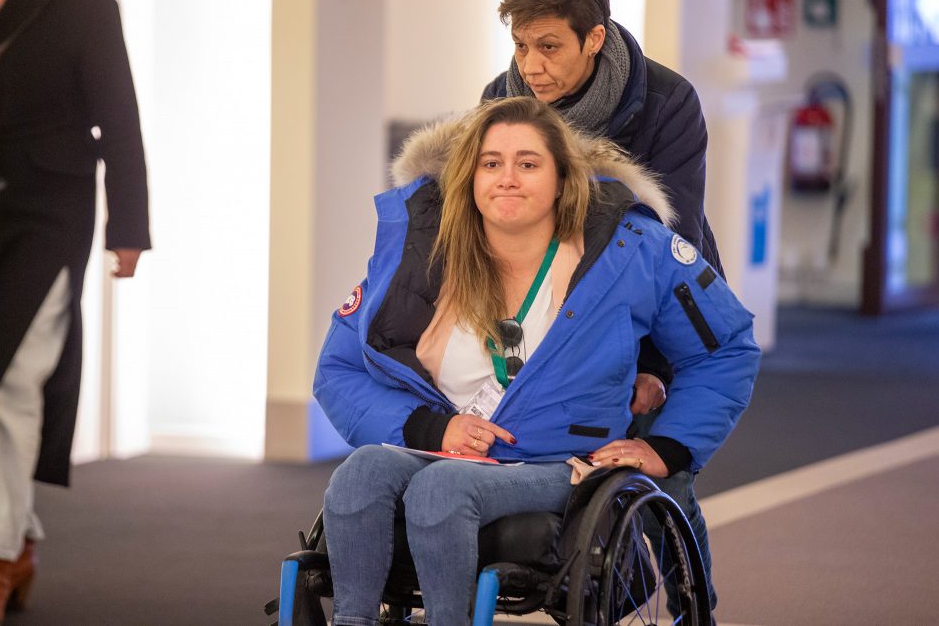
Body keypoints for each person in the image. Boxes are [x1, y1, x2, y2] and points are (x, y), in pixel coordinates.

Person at [315, 96, 759, 625]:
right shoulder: (422, 256)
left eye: (528, 164)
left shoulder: (630, 248)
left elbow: (726, 348)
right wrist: (429, 427)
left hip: (559, 461)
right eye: (490, 163)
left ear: (562, 178)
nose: (507, 178)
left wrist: (666, 445)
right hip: (447, 451)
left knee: (441, 490)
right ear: (468, 177)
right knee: (359, 472)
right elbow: (337, 369)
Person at [481, 0, 726, 605]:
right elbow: (495, 246)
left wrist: (651, 370)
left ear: (594, 38)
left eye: (549, 47)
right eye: (520, 46)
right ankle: (614, 588)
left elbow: (671, 245)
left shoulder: (667, 104)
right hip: (544, 319)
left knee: (658, 485)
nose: (530, 66)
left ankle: (693, 604)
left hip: (660, 313)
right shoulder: (500, 106)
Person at [0, 0, 150, 622]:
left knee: (15, 382)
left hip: (47, 214)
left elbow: (121, 120)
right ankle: (16, 542)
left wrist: (128, 228)